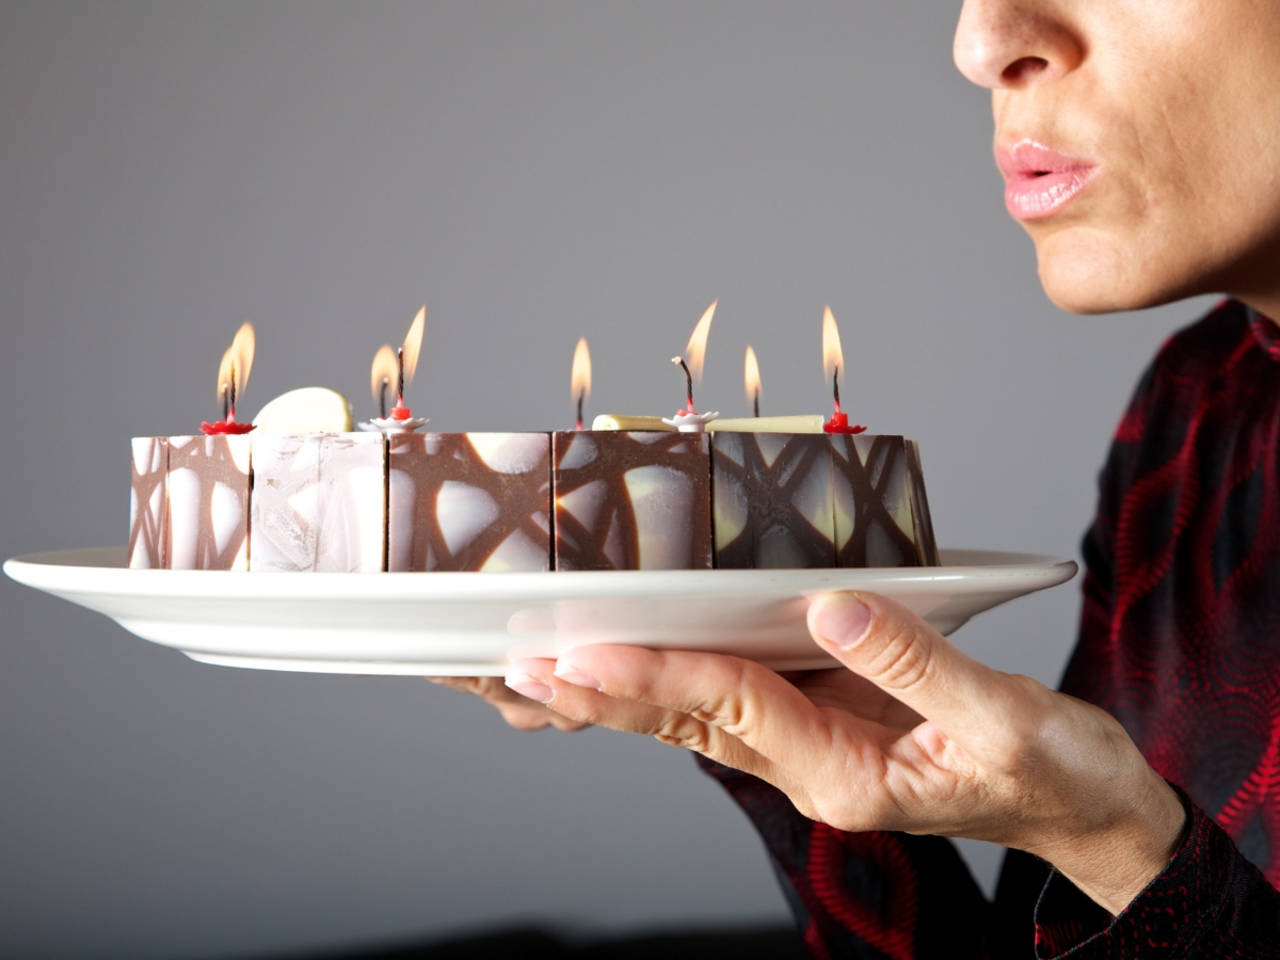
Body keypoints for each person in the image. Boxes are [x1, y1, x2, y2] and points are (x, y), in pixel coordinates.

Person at [434, 1, 1280, 955]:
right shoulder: (1205, 405)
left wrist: (1119, 847)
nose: (981, 44)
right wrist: (769, 705)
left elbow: (1136, 854)